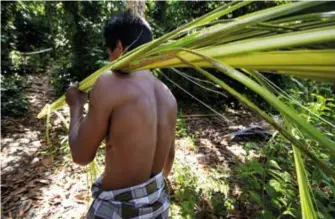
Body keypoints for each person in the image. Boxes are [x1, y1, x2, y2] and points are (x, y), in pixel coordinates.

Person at [65, 11, 177, 219]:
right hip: (159, 208)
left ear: (118, 46)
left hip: (118, 211)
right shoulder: (167, 95)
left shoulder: (109, 83)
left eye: (109, 53)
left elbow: (80, 156)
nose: (110, 60)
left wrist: (76, 106)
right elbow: (167, 166)